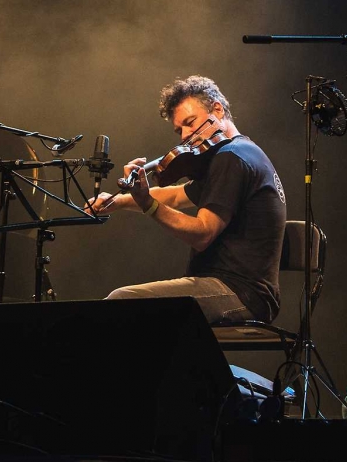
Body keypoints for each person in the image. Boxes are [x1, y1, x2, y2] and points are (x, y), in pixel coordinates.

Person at [87, 75, 286, 324]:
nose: (184, 135)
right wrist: (117, 201)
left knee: (122, 302)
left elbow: (202, 234)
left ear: (217, 110)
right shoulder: (240, 152)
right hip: (232, 288)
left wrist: (148, 204)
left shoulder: (232, 157)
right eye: (179, 129)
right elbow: (176, 195)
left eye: (190, 123)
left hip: (241, 293)